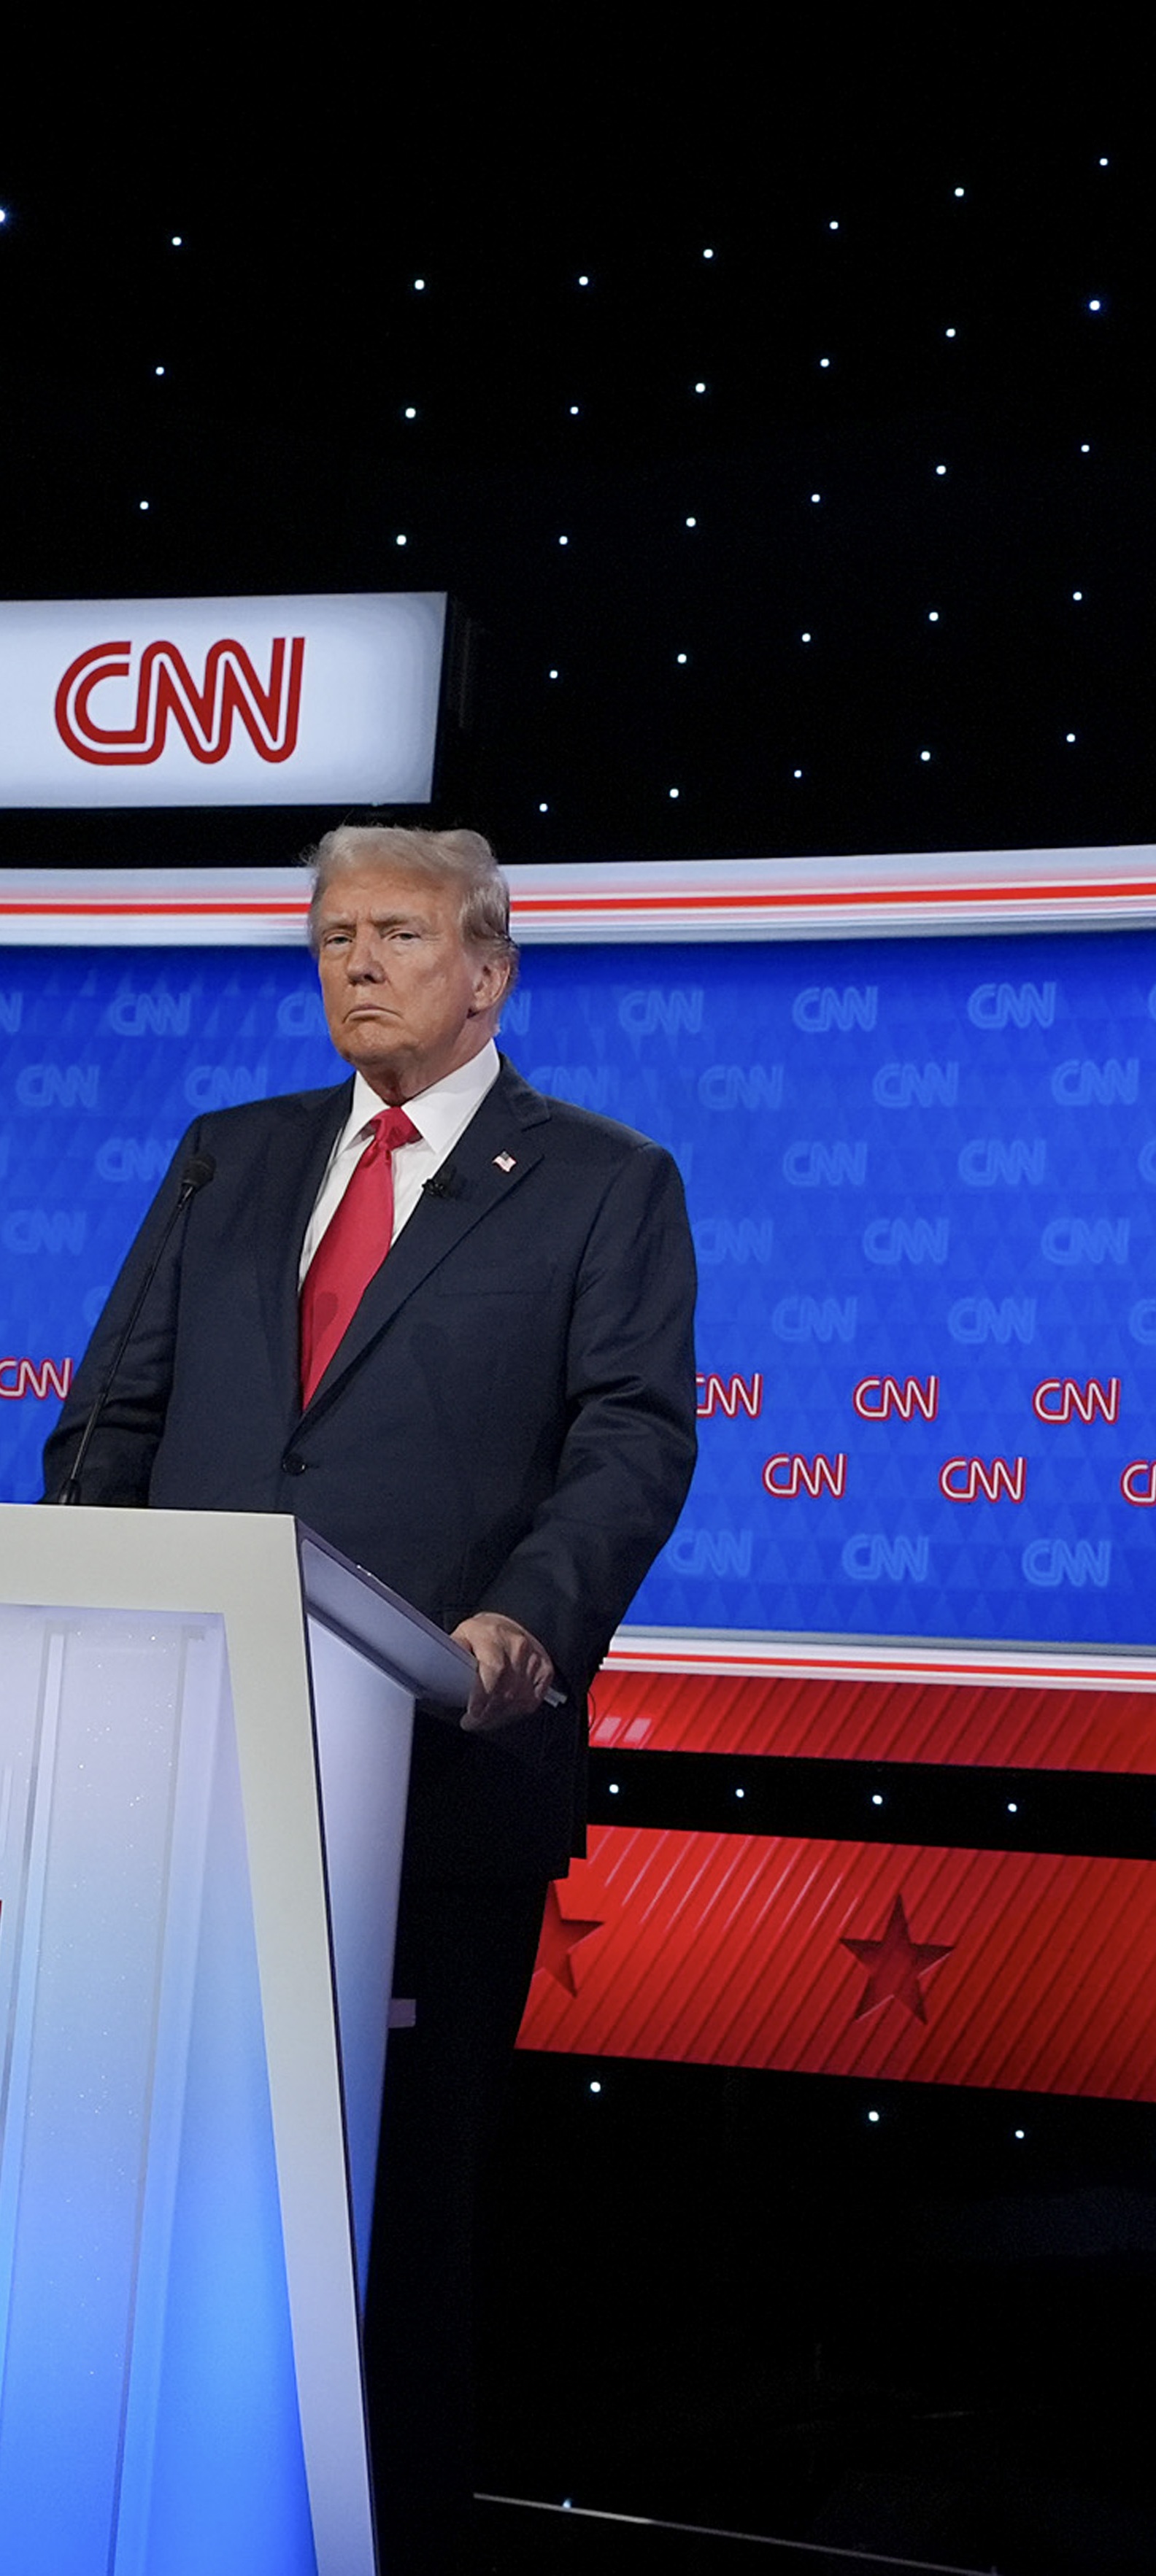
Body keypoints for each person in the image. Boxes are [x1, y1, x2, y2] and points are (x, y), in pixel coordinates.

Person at [47, 824, 698, 2575]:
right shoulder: (226, 1159)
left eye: (397, 934)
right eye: (332, 934)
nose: (356, 962)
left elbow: (632, 1444)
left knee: (389, 2227)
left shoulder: (602, 1180)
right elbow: (110, 1421)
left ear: (490, 965)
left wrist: (522, 1624)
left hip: (431, 1777)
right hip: (174, 1783)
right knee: (151, 2206)